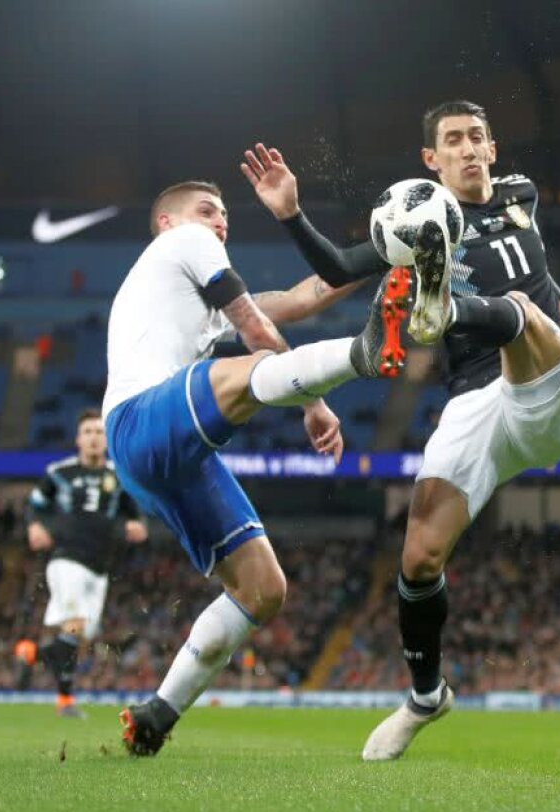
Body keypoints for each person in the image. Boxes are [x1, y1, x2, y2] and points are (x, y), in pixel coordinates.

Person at [240, 99, 560, 760]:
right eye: (452, 141)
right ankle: (425, 695)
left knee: (520, 309)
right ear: (430, 160)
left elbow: (530, 271)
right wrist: (290, 212)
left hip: (550, 390)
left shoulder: (522, 194)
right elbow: (340, 271)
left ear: (492, 149)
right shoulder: (415, 219)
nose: (467, 149)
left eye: (476, 138)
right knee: (418, 557)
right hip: (475, 404)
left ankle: (443, 310)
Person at [109, 180, 410, 756]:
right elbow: (254, 327)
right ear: (170, 223)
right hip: (139, 420)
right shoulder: (186, 245)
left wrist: (389, 249)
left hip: (164, 457)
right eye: (206, 211)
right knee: (250, 365)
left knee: (262, 590)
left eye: (224, 215)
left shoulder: (188, 299)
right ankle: (360, 354)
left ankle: (157, 714)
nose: (219, 222)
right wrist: (315, 402)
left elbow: (301, 299)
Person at [16, 408, 148, 717]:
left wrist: (138, 525)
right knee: (74, 627)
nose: (93, 438)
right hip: (67, 560)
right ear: (78, 439)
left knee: (79, 636)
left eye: (99, 432)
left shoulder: (118, 477)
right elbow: (33, 505)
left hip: (100, 568)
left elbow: (136, 512)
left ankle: (62, 698)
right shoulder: (59, 473)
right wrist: (34, 526)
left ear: (107, 439)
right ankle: (33, 655)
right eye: (87, 432)